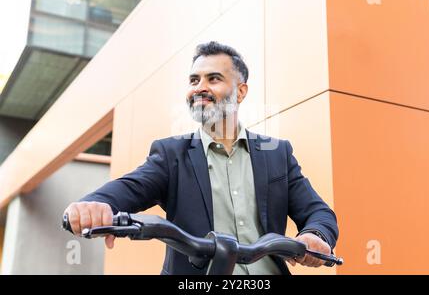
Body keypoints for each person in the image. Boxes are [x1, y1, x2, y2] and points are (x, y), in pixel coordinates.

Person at [64, 41, 339, 275]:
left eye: (213, 79)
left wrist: (315, 236)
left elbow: (319, 212)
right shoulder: (171, 154)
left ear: (241, 92)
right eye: (194, 80)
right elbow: (128, 189)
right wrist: (93, 206)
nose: (199, 87)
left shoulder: (276, 153)